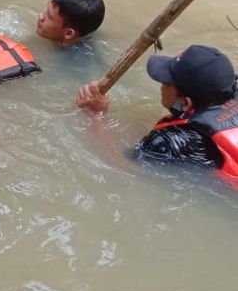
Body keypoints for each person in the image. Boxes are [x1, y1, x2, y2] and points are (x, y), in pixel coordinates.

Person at [76, 45, 238, 187]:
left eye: (167, 81)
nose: (161, 85)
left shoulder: (169, 141)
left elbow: (122, 167)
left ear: (185, 103)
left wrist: (97, 116)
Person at [35, 0, 106, 47]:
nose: (40, 16)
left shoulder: (73, 59)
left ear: (68, 33)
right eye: (46, 10)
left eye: (49, 17)